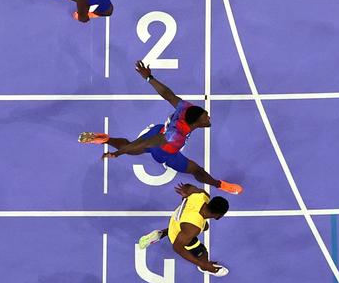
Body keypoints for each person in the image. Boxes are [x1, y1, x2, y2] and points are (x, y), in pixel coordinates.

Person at [78, 61, 243, 194]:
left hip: (159, 130)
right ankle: (219, 185)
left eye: (206, 114)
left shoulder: (186, 107)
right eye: (205, 118)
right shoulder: (176, 135)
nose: (208, 118)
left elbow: (167, 94)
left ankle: (106, 139)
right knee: (195, 169)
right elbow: (148, 143)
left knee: (132, 146)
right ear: (196, 123)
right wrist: (118, 153)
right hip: (164, 150)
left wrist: (149, 78)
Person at [138, 182, 230, 276]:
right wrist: (203, 264)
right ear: (219, 216)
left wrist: (185, 192)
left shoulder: (202, 195)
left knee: (205, 227)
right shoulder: (194, 227)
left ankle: (160, 234)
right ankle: (205, 268)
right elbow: (178, 247)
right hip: (177, 234)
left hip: (176, 220)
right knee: (202, 252)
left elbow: (188, 187)